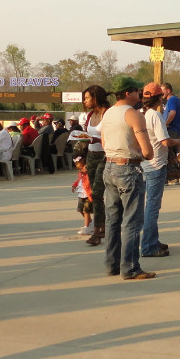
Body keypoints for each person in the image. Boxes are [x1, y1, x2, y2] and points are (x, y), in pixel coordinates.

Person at [99, 76, 155, 280]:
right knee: (132, 220)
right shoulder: (133, 115)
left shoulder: (108, 113)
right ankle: (130, 267)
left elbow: (104, 143)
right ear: (127, 93)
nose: (139, 94)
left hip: (109, 165)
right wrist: (143, 153)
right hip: (129, 168)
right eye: (136, 90)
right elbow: (148, 151)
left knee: (113, 220)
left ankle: (112, 264)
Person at [139, 82, 180, 258]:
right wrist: (177, 141)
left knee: (151, 205)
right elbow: (164, 141)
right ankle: (148, 245)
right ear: (160, 98)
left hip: (145, 164)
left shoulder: (143, 114)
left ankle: (152, 240)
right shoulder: (155, 116)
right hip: (156, 164)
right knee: (153, 207)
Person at [81, 85, 110, 246]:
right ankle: (102, 226)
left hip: (104, 156)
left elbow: (109, 136)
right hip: (91, 155)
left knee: (98, 193)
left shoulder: (107, 113)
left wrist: (96, 140)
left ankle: (97, 230)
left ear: (96, 97)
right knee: (93, 194)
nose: (85, 101)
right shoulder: (90, 115)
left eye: (87, 98)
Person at [161, 83, 180, 185]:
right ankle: (174, 176)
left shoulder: (172, 100)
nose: (161, 93)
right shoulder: (173, 100)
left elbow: (172, 113)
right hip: (174, 129)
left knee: (169, 154)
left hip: (172, 129)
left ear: (168, 90)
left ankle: (170, 177)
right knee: (173, 154)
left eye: (163, 90)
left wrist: (165, 124)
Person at [70, 155, 93, 235]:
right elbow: (78, 180)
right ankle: (90, 223)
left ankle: (86, 226)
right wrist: (74, 185)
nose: (81, 169)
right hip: (81, 194)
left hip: (87, 194)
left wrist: (87, 170)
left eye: (83, 167)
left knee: (86, 210)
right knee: (80, 209)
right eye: (79, 168)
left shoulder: (88, 173)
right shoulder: (80, 173)